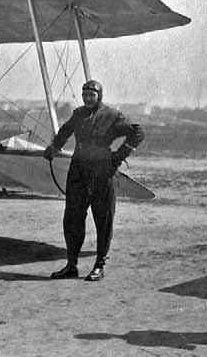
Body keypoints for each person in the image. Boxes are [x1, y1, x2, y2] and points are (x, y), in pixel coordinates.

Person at [43, 80, 145, 281]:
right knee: (72, 218)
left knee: (103, 218)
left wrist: (118, 157)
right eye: (85, 95)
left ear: (100, 96)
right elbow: (65, 131)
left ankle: (99, 265)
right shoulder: (78, 114)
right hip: (78, 171)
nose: (88, 99)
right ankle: (71, 265)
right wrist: (54, 147)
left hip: (102, 173)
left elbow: (138, 132)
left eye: (92, 95)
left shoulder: (112, 116)